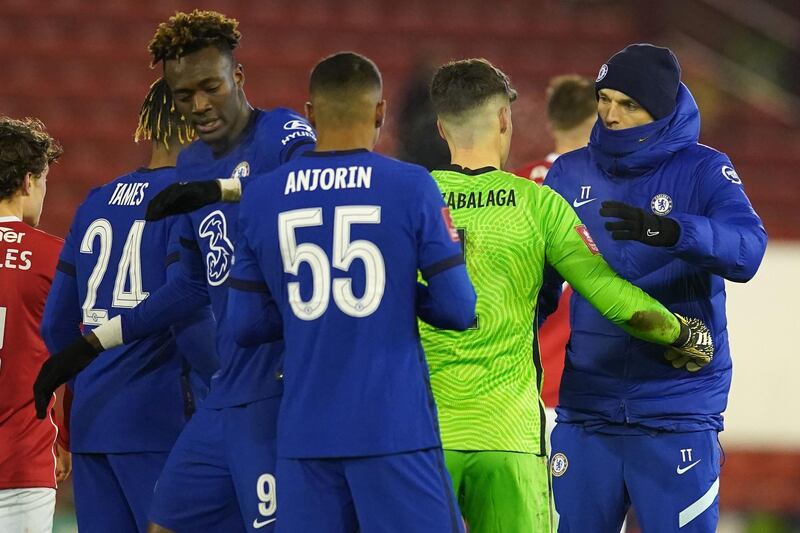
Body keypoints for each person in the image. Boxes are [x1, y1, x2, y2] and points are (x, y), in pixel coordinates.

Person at [34, 10, 316, 532]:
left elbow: (312, 182)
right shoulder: (190, 165)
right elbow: (187, 285)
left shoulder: (280, 130)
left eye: (210, 87)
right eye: (184, 95)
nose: (199, 105)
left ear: (239, 76)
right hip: (228, 388)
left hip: (278, 377)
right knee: (164, 525)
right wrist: (91, 345)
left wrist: (224, 190)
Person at [421, 58, 716, 533]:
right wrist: (682, 332)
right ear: (503, 119)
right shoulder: (538, 204)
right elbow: (610, 296)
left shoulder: (409, 198)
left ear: (440, 126)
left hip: (421, 439)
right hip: (508, 439)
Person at [226, 51, 476, 533]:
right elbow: (459, 308)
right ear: (381, 111)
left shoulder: (261, 196)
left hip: (303, 435)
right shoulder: (411, 186)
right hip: (393, 429)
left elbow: (244, 326)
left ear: (311, 113)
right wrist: (398, 294)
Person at [542, 43, 768, 532]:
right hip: (588, 411)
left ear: (661, 109)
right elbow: (538, 289)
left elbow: (748, 250)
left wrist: (674, 232)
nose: (610, 113)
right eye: (604, 98)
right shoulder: (569, 172)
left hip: (677, 411)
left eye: (628, 103)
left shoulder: (705, 169)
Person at [36, 77, 212, 533]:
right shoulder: (189, 198)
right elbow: (187, 301)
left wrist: (85, 385)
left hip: (94, 420)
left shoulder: (96, 201)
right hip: (162, 418)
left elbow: (57, 324)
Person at [512, 74, 597, 446]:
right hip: (582, 395)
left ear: (552, 120)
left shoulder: (513, 184)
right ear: (598, 122)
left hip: (518, 390)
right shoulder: (608, 190)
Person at [0, 116, 69, 533]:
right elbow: (80, 357)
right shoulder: (54, 258)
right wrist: (66, 442)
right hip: (23, 465)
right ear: (28, 182)